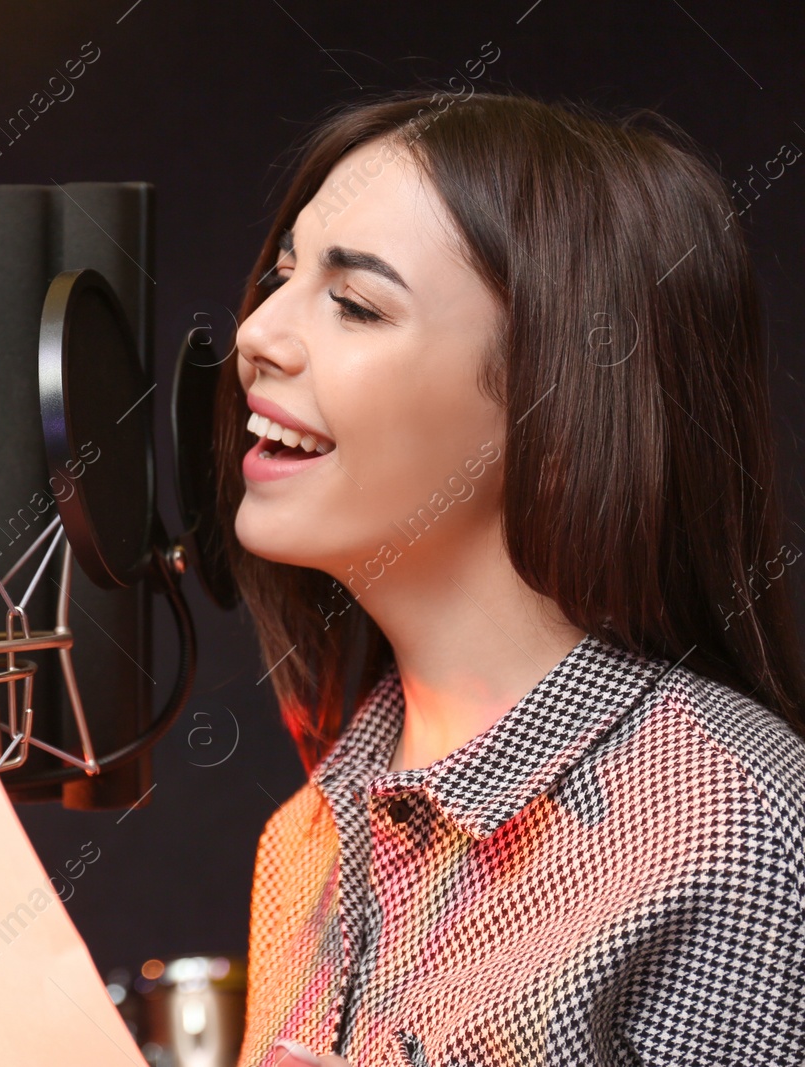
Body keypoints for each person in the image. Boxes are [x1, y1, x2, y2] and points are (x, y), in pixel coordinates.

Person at [218, 90, 805, 1066]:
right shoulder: (305, 839)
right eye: (282, 277)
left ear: (564, 415)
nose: (256, 334)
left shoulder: (726, 825)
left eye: (355, 303)